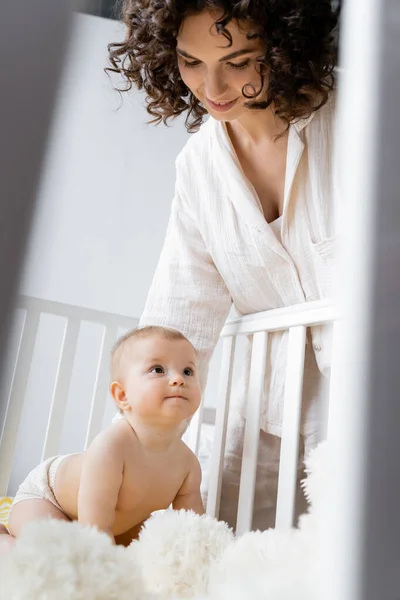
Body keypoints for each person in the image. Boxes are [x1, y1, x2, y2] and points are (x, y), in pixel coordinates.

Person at [108, 0, 340, 530]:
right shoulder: (198, 168)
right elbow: (179, 316)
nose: (212, 87)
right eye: (191, 62)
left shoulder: (365, 111)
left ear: (284, 48)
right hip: (269, 396)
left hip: (370, 388)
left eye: (238, 61)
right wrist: (130, 448)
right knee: (220, 534)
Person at [0, 326, 204, 553]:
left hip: (110, 523)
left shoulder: (188, 465)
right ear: (122, 395)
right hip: (46, 498)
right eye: (158, 369)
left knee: (147, 554)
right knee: (53, 552)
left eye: (188, 371)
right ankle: (5, 540)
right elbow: (95, 534)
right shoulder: (111, 448)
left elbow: (194, 531)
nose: (178, 379)